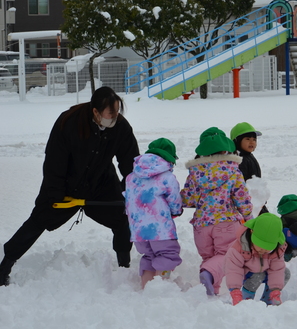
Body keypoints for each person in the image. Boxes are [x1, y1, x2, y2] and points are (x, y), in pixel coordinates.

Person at [0, 87, 139, 286]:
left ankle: (124, 265)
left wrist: (133, 189)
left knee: (122, 218)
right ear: (96, 112)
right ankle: (5, 265)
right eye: (111, 112)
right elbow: (54, 161)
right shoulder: (70, 122)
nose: (115, 116)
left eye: (118, 111)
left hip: (101, 183)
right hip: (65, 185)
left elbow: (130, 161)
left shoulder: (120, 127)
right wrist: (55, 194)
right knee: (38, 220)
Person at [181, 127, 253, 296]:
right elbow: (241, 197)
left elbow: (188, 199)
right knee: (227, 256)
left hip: (201, 226)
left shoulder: (195, 172)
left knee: (210, 259)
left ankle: (210, 292)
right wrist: (248, 217)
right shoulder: (233, 170)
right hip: (226, 222)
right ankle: (207, 276)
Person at [124, 138, 183, 288]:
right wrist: (176, 211)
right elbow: (174, 199)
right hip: (160, 230)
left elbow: (129, 199)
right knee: (167, 255)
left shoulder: (131, 177)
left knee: (149, 256)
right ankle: (160, 285)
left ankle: (146, 287)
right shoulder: (167, 177)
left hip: (138, 231)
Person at [225, 213, 287, 305]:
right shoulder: (240, 247)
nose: (263, 250)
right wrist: (235, 291)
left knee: (285, 273)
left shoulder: (277, 250)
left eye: (268, 247)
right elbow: (233, 269)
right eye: (260, 246)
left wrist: (275, 289)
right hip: (245, 274)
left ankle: (268, 299)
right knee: (258, 276)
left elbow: (277, 269)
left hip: (264, 272)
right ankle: (246, 302)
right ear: (251, 232)